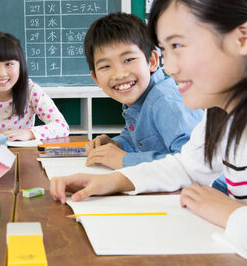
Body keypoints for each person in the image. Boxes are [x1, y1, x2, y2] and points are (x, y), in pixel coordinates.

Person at [50, 0, 247, 266]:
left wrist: (226, 210)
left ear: (242, 39)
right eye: (165, 49)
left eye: (178, 46)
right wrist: (112, 181)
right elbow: (187, 165)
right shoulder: (223, 107)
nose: (169, 67)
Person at [83, 13, 203, 169]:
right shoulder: (138, 100)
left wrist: (124, 160)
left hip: (211, 191)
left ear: (152, 61)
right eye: (105, 66)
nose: (119, 74)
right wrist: (117, 145)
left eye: (129, 60)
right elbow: (138, 139)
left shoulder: (166, 101)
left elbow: (194, 162)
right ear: (96, 78)